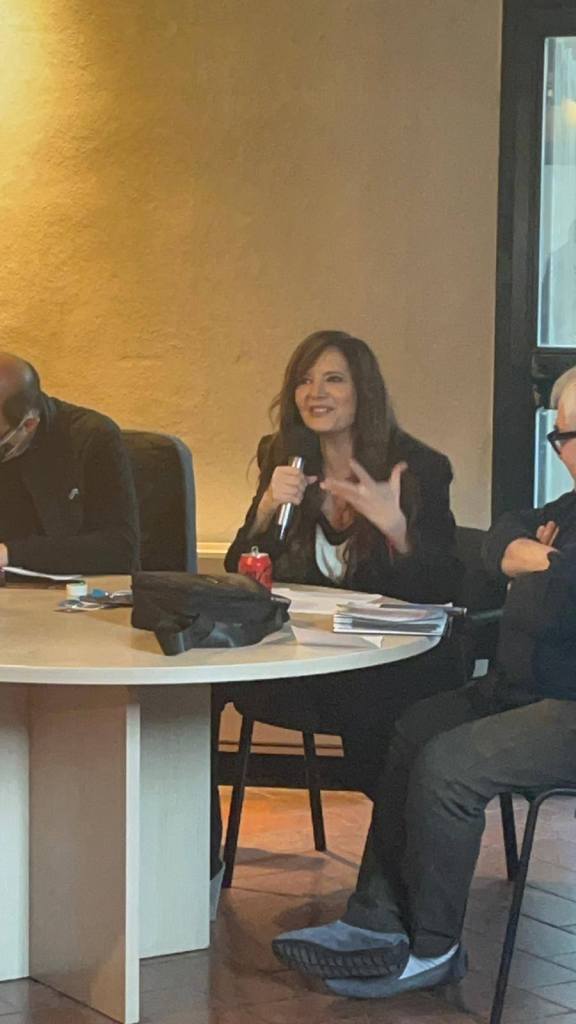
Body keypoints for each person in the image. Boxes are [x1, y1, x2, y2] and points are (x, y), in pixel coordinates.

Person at [270, 364, 576, 1000]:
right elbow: (498, 538)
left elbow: (557, 595)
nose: (564, 452)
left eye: (573, 437)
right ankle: (375, 921)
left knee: (449, 767)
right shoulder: (568, 509)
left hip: (566, 704)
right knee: (413, 729)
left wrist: (545, 567)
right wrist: (535, 556)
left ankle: (434, 949)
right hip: (518, 689)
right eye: (561, 437)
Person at [210, 331, 463, 905]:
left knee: (378, 723)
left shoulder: (419, 467)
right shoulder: (283, 458)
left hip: (391, 664)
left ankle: (389, 901)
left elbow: (443, 587)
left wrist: (397, 530)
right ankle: (197, 859)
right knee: (197, 690)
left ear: (362, 390)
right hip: (304, 658)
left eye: (332, 379)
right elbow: (241, 571)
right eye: (304, 380)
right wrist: (266, 510)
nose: (314, 393)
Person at [0, 352, 139, 574]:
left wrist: (11, 553)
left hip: (71, 588)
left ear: (28, 425)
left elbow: (120, 550)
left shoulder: (90, 437)